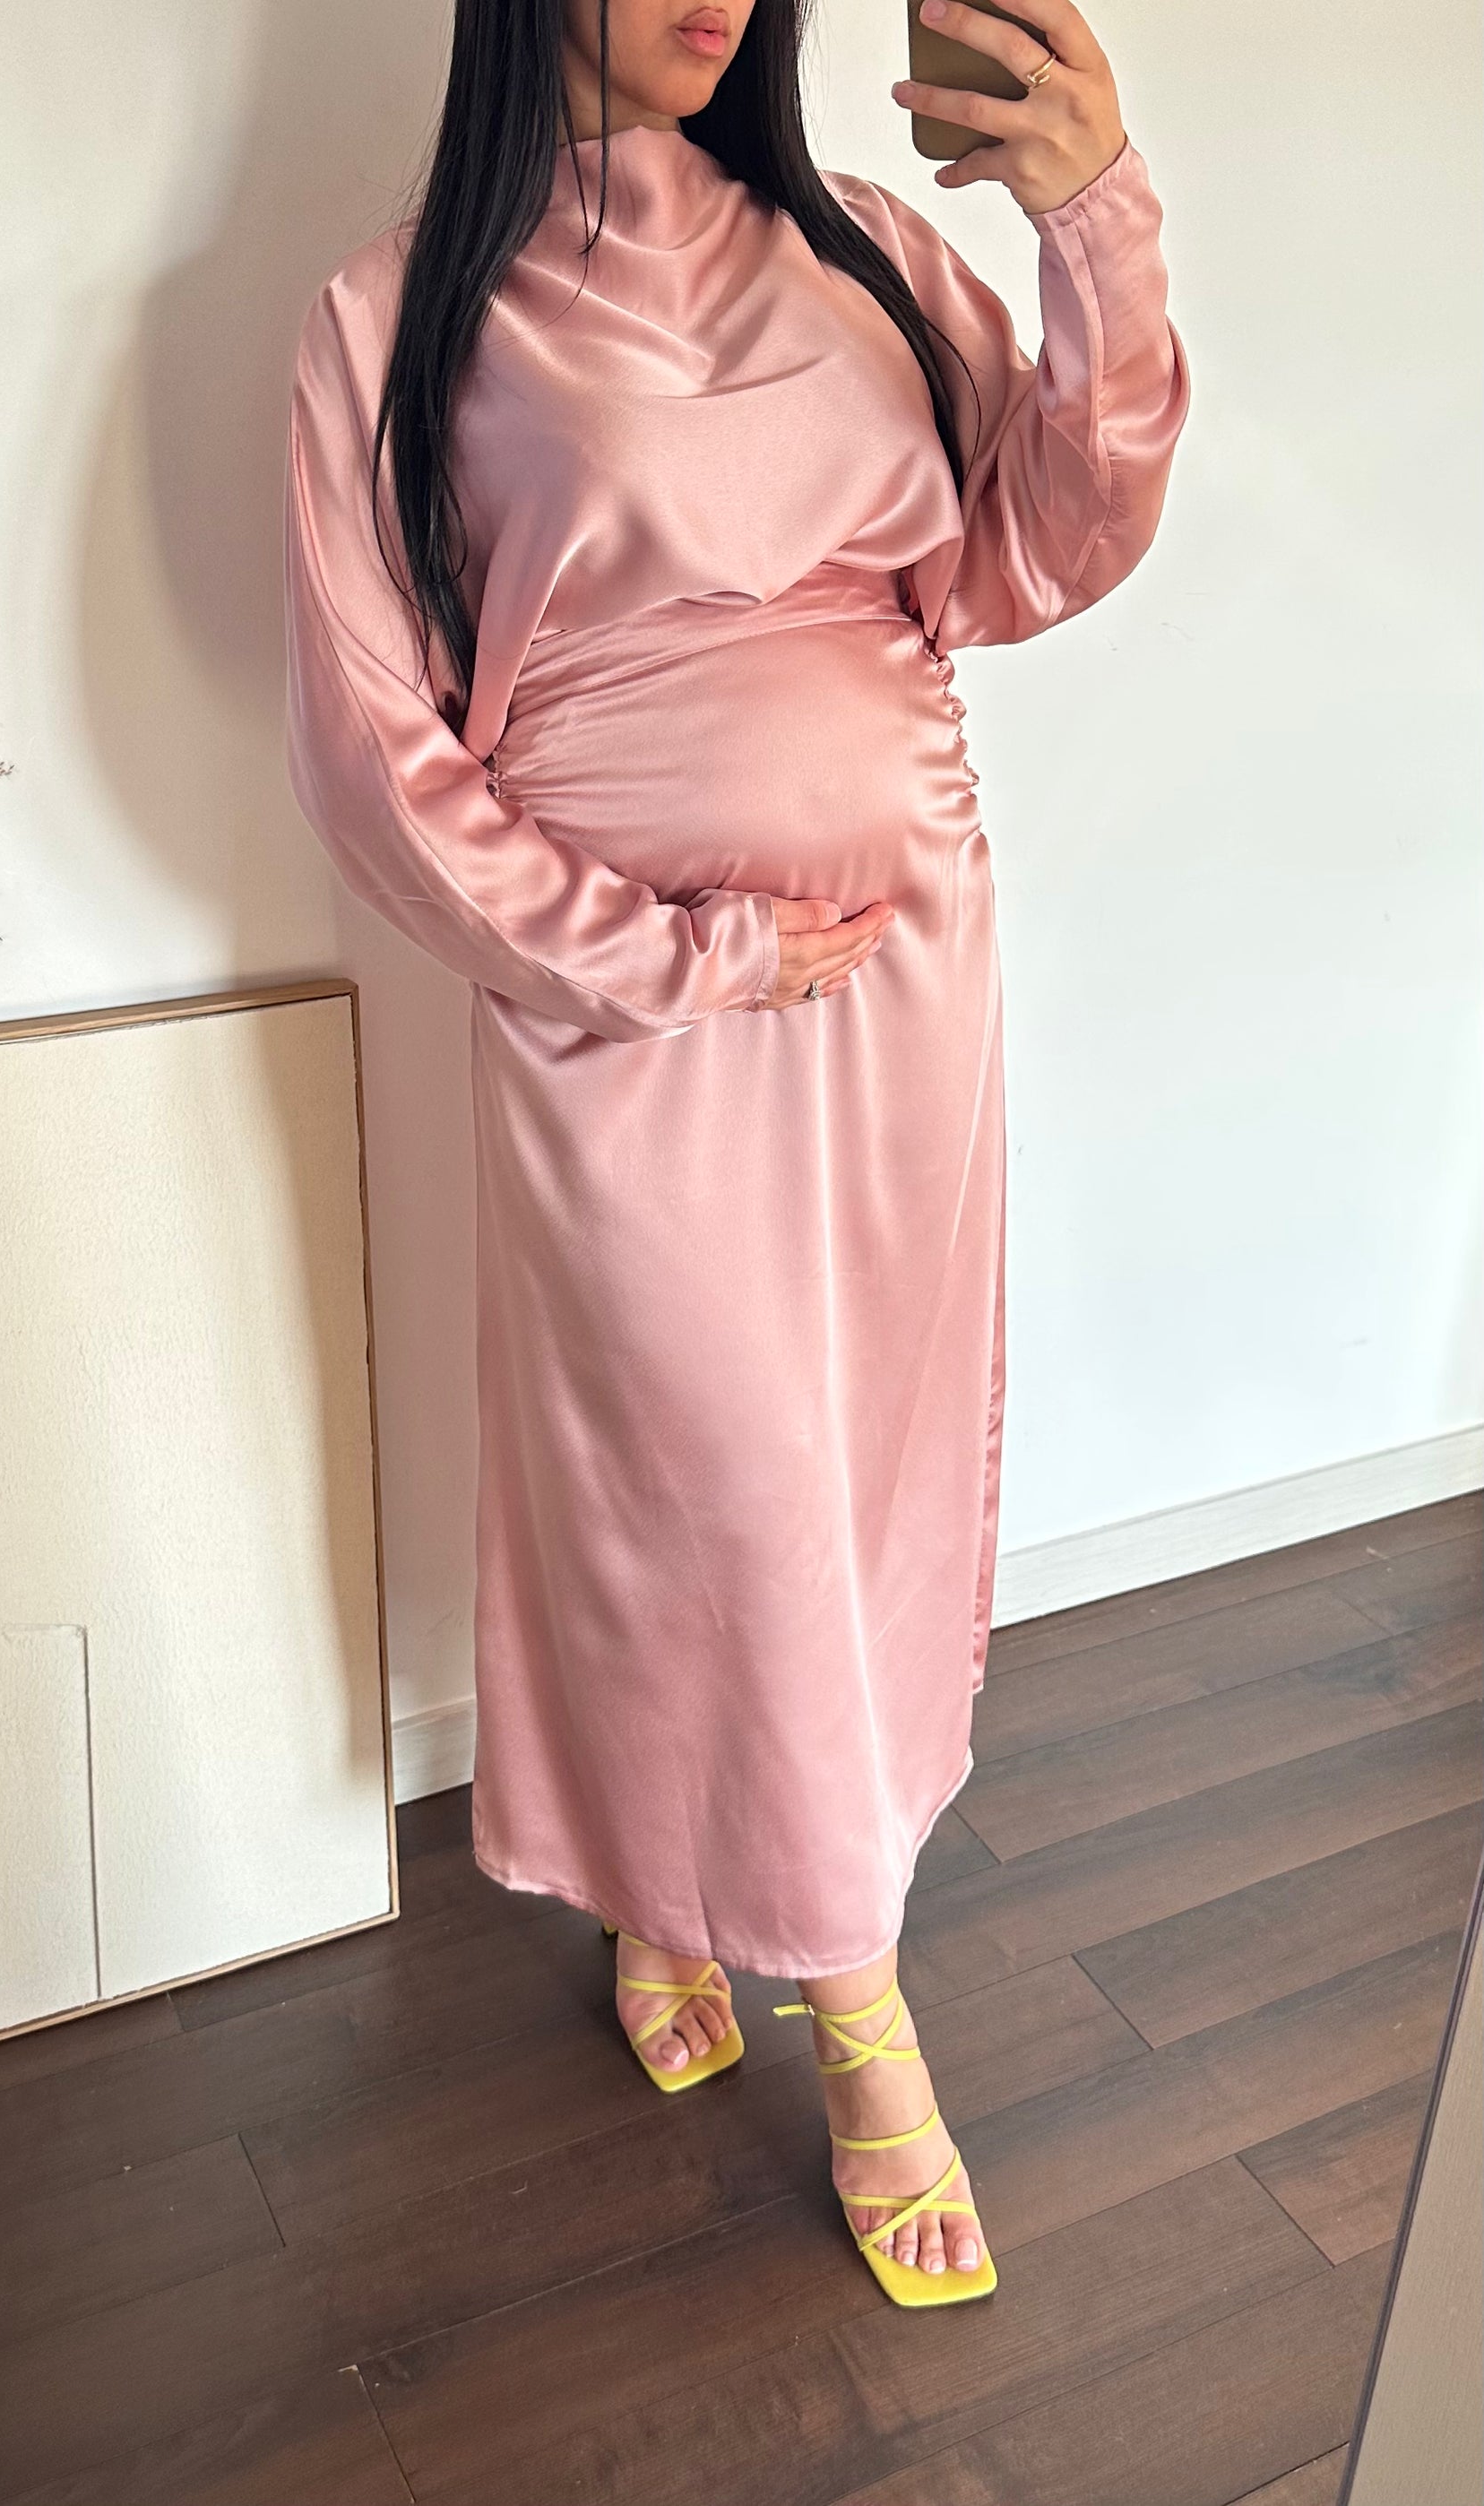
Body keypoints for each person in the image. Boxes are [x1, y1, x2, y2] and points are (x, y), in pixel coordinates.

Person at [283, 0, 1188, 2306]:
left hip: (904, 978)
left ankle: (672, 1888)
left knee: (847, 1471)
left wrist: (1090, 225)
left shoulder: (867, 248)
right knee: (707, 1473)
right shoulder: (393, 319)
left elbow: (1042, 550)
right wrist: (669, 957)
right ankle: (858, 2006)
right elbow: (378, 764)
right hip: (622, 1017)